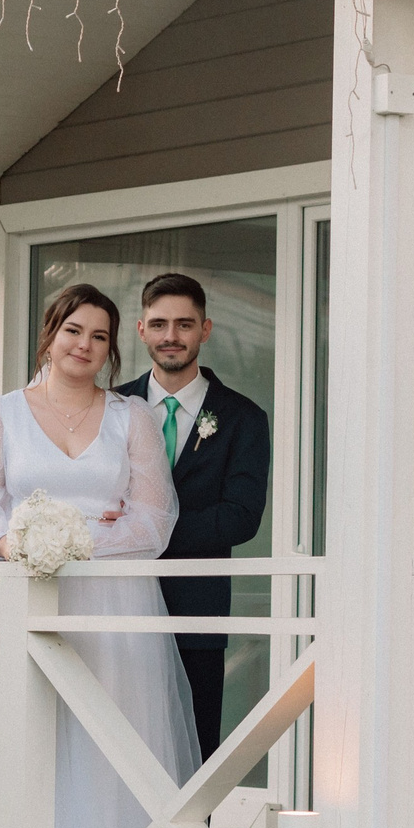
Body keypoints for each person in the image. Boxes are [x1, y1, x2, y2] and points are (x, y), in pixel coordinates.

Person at [0, 283, 208, 828]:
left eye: (98, 335)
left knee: (111, 762)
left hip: (115, 608)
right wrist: (18, 545)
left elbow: (153, 524)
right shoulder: (3, 414)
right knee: (36, 753)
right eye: (73, 331)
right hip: (31, 598)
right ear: (50, 334)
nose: (84, 345)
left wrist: (75, 541)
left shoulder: (131, 419)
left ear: (110, 348)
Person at [115, 273, 271, 762]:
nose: (171, 336)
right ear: (140, 330)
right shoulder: (113, 409)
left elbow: (241, 518)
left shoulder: (243, 417)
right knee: (115, 754)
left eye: (184, 324)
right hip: (114, 609)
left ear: (205, 330)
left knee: (192, 760)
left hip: (196, 615)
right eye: (159, 324)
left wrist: (146, 529)